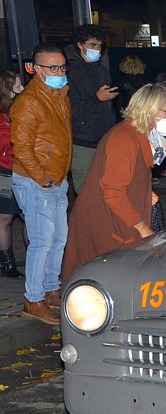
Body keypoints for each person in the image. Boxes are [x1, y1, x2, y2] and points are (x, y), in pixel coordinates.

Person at [61, 84, 166, 282]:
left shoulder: (143, 136)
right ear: (148, 109)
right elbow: (113, 192)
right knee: (102, 282)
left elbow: (132, 175)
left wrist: (143, 192)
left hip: (117, 216)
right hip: (105, 220)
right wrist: (142, 228)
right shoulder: (123, 139)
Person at [10, 43, 73, 325]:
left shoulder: (60, 94)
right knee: (41, 242)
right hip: (36, 181)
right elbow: (20, 147)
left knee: (57, 240)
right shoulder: (29, 102)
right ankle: (33, 299)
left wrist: (56, 177)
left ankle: (50, 289)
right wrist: (42, 177)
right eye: (52, 67)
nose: (59, 72)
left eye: (62, 66)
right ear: (35, 69)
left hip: (55, 178)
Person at [64, 23, 118, 193]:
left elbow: (106, 106)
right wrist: (96, 99)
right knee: (87, 191)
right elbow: (71, 109)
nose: (98, 49)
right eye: (93, 45)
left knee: (107, 188)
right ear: (80, 45)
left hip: (104, 138)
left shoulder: (101, 70)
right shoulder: (68, 71)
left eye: (100, 45)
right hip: (83, 141)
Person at [0, 71, 25, 278]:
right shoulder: (2, 115)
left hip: (24, 168)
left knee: (28, 216)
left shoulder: (22, 109)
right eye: (18, 87)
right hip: (5, 169)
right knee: (5, 218)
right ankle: (7, 262)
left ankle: (34, 256)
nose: (22, 91)